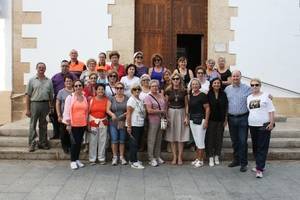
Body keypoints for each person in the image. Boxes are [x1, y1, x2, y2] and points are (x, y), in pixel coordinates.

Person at [247, 78, 275, 178]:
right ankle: (258, 164)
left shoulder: (266, 96)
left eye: (256, 85)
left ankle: (259, 169)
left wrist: (271, 123)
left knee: (262, 147)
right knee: (255, 146)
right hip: (252, 125)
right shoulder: (249, 97)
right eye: (252, 85)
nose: (254, 86)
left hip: (264, 125)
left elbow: (271, 110)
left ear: (260, 85)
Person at [225, 70, 251, 172]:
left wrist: (268, 95)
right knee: (235, 141)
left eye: (237, 76)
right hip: (231, 118)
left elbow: (257, 92)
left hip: (243, 118)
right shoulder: (227, 89)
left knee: (242, 141)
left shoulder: (247, 88)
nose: (235, 78)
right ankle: (236, 160)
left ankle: (244, 163)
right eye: (234, 76)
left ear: (241, 77)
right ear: (231, 77)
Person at [25, 62, 54, 152]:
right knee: (32, 125)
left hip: (45, 105)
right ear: (36, 68)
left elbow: (51, 95)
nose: (41, 69)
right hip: (34, 104)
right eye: (39, 67)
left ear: (45, 69)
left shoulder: (49, 81)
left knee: (43, 125)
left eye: (43, 67)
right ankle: (32, 143)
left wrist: (51, 107)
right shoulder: (31, 80)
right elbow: (27, 95)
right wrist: (27, 109)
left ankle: (42, 143)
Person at [88, 83, 116, 165]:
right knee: (93, 141)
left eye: (102, 89)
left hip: (103, 123)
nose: (101, 91)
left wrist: (113, 115)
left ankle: (101, 158)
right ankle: (92, 159)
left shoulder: (107, 100)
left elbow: (108, 110)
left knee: (103, 141)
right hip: (93, 123)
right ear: (96, 90)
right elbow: (88, 112)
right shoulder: (91, 100)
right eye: (99, 89)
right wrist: (88, 124)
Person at [63, 80, 88, 170]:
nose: (78, 87)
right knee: (74, 143)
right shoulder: (70, 97)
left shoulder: (84, 97)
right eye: (76, 86)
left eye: (80, 85)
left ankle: (77, 159)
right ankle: (72, 161)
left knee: (79, 143)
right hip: (73, 124)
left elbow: (86, 111)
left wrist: (86, 122)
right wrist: (68, 124)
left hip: (82, 124)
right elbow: (66, 111)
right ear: (74, 87)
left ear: (82, 87)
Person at [165, 73, 189, 165]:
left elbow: (187, 104)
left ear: (180, 80)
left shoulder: (184, 91)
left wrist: (186, 116)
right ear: (171, 80)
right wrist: (166, 115)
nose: (175, 80)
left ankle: (180, 157)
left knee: (180, 135)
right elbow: (166, 104)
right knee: (172, 136)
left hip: (181, 112)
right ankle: (174, 157)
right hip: (171, 112)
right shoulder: (168, 90)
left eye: (177, 79)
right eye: (174, 79)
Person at [51, 60, 77, 139]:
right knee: (56, 118)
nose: (65, 67)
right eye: (63, 66)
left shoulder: (73, 76)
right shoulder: (55, 77)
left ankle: (67, 136)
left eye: (66, 66)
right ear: (61, 67)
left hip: (72, 99)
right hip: (58, 99)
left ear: (69, 67)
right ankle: (56, 134)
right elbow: (51, 88)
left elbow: (77, 84)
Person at [206, 77, 228, 167]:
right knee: (210, 139)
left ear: (220, 84)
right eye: (215, 83)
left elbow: (226, 107)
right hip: (211, 120)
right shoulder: (208, 94)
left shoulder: (224, 94)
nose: (216, 84)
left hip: (221, 120)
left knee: (219, 138)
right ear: (212, 84)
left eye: (218, 83)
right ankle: (210, 156)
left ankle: (216, 156)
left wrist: (226, 119)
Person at [144, 80, 166, 167]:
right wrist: (160, 111)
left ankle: (157, 156)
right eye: (153, 86)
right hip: (153, 120)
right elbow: (149, 110)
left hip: (161, 120)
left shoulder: (160, 95)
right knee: (151, 139)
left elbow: (164, 105)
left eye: (156, 86)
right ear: (150, 87)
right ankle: (151, 158)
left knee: (159, 139)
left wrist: (165, 115)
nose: (155, 87)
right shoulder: (148, 97)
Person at [188, 78, 210, 167]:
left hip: (201, 120)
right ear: (191, 86)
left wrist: (206, 121)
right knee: (197, 141)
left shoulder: (202, 95)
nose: (195, 86)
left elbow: (207, 108)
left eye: (196, 84)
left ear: (199, 85)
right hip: (193, 120)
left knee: (200, 141)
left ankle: (201, 160)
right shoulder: (192, 95)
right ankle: (197, 158)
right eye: (193, 84)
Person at [126, 84, 146, 169]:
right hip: (134, 124)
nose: (137, 91)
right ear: (132, 91)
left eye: (138, 89)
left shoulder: (140, 100)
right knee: (134, 143)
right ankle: (134, 162)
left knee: (136, 143)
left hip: (140, 123)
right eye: (135, 89)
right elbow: (128, 114)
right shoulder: (131, 100)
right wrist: (129, 126)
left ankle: (132, 159)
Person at [109, 82, 128, 165]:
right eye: (117, 88)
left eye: (121, 88)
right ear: (115, 89)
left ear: (123, 89)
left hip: (123, 121)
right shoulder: (111, 98)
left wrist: (124, 115)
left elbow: (130, 110)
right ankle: (115, 157)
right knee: (114, 140)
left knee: (122, 140)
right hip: (113, 122)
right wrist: (112, 114)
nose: (119, 90)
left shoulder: (127, 98)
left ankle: (121, 157)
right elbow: (107, 109)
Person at [56, 75, 74, 154]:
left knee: (72, 133)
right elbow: (58, 103)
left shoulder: (75, 90)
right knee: (64, 133)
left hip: (74, 117)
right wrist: (59, 115)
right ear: (64, 82)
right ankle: (65, 147)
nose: (68, 82)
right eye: (67, 81)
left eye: (70, 81)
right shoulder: (61, 92)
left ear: (72, 82)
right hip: (64, 116)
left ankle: (71, 146)